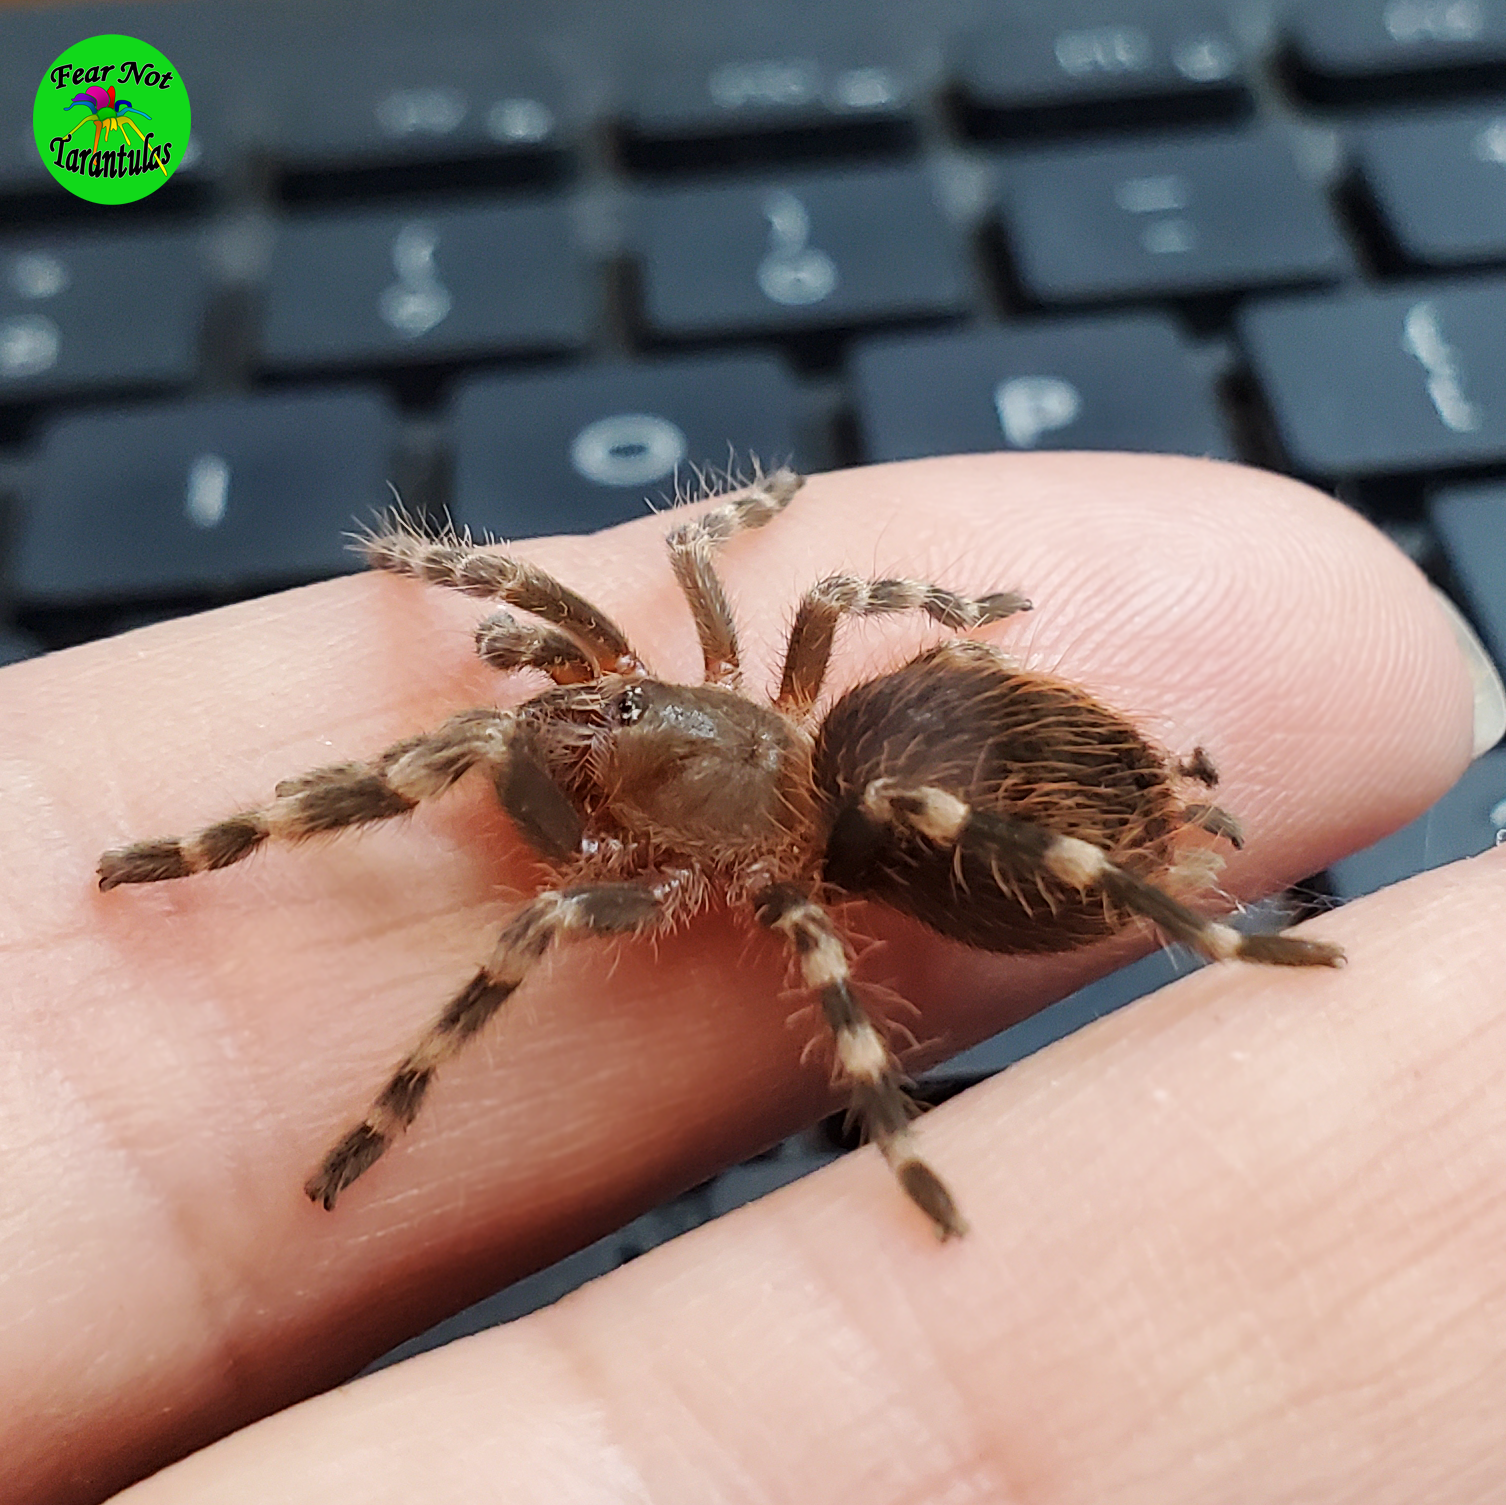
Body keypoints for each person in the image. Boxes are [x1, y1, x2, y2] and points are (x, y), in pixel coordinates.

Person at [2, 452, 1499, 1505]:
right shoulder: (670, 681)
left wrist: (885, 1106)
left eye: (594, 703)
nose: (579, 711)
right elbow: (704, 568)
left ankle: (1212, 928)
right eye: (586, 697)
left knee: (881, 809)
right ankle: (204, 859)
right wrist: (427, 570)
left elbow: (789, 642)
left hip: (907, 802)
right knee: (657, 743)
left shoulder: (774, 857)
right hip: (886, 752)